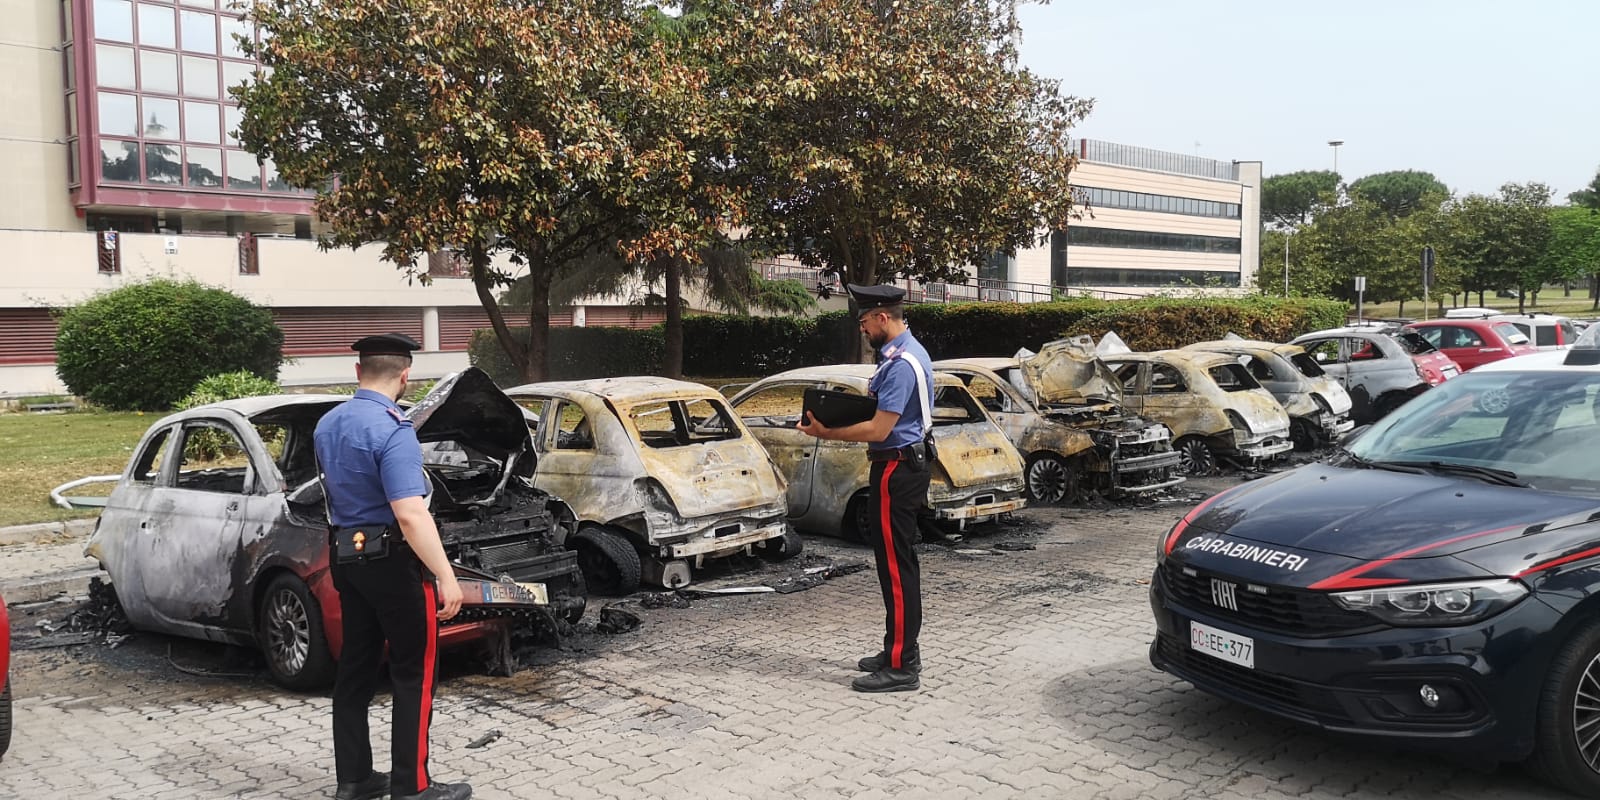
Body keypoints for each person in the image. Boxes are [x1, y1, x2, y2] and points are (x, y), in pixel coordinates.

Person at [313, 332, 472, 800]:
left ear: (358, 372)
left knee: (356, 671)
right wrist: (446, 576)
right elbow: (409, 512)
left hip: (346, 558)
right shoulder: (393, 429)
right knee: (412, 673)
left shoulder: (327, 424)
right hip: (393, 564)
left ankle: (356, 780)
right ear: (406, 377)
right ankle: (412, 787)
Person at [797, 283, 934, 693]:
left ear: (881, 317)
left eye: (863, 322)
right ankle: (900, 649)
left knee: (896, 568)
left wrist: (826, 430)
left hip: (898, 469)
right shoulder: (903, 355)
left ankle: (901, 665)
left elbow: (880, 428)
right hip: (899, 465)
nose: (862, 330)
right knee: (896, 564)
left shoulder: (901, 363)